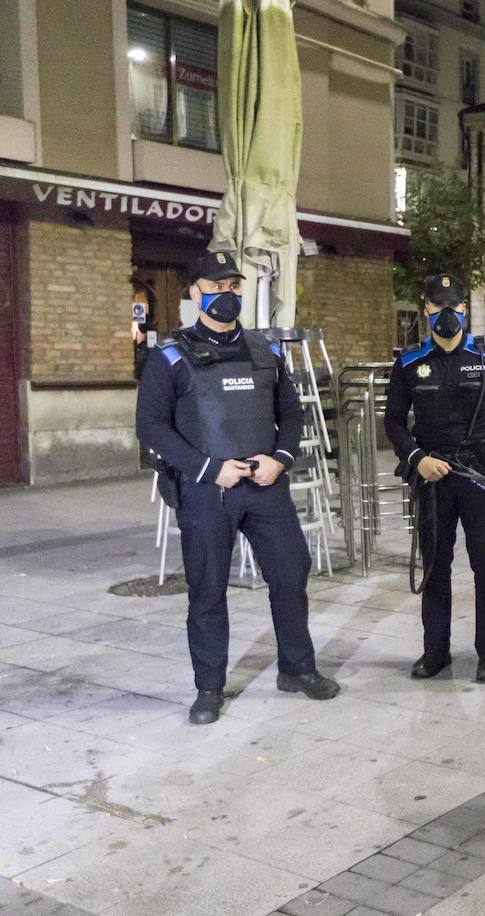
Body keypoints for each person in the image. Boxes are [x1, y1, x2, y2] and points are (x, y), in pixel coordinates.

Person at [135, 251, 340, 725]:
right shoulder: (169, 356)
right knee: (207, 590)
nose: (226, 294)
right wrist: (208, 469)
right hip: (209, 491)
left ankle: (297, 669)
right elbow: (151, 427)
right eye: (216, 285)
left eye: (233, 286)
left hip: (264, 484)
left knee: (291, 575)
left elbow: (290, 413)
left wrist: (280, 459)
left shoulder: (265, 350)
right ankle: (209, 687)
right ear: (193, 292)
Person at [384, 273, 485, 684]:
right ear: (426, 309)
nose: (447, 314)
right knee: (435, 566)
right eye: (439, 307)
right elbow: (393, 421)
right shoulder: (410, 362)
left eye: (455, 306)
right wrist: (416, 459)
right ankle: (435, 653)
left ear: (465, 309)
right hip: (432, 479)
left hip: (481, 476)